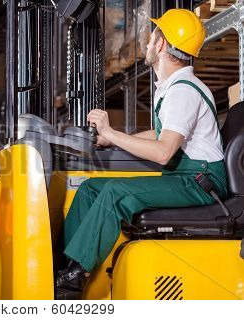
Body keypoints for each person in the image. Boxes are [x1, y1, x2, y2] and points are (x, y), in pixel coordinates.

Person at [56, 9, 227, 298]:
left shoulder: (184, 91)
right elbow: (162, 134)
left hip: (200, 182)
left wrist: (111, 133)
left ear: (161, 45)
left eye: (152, 38)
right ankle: (66, 266)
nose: (147, 43)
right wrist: (113, 142)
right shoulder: (172, 87)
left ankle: (73, 281)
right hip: (185, 177)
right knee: (89, 189)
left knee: (116, 192)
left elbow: (162, 152)